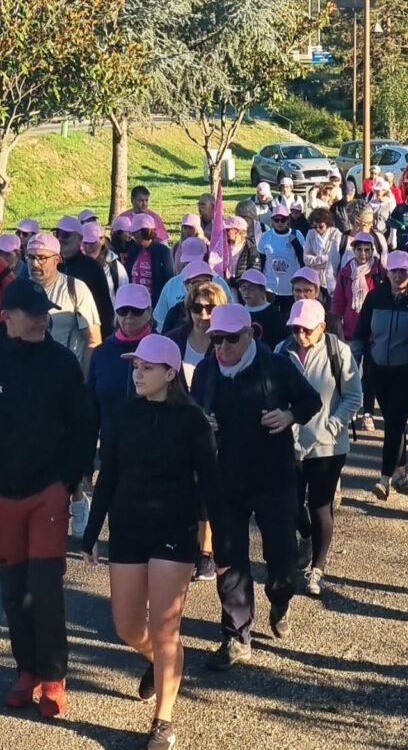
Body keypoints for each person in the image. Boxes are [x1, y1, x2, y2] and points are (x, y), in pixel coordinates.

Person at [0, 278, 97, 718]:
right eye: (33, 313)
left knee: (45, 589)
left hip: (46, 495)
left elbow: (83, 424)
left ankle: (54, 676)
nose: (42, 319)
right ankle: (26, 670)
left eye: (45, 313)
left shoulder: (61, 362)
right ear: (9, 317)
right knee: (14, 592)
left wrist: (69, 479)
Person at [82, 335, 227, 750]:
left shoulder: (193, 421)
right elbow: (107, 477)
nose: (138, 373)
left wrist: (224, 547)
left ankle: (162, 721)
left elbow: (212, 488)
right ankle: (160, 661)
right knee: (127, 626)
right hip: (127, 530)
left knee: (166, 631)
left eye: (147, 367)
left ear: (170, 373)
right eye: (135, 367)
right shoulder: (124, 417)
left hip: (174, 533)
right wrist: (91, 534)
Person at [189, 304, 321, 669]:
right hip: (225, 481)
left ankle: (280, 600)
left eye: (231, 338)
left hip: (273, 478)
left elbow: (311, 400)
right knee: (230, 560)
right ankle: (236, 636)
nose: (222, 347)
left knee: (282, 561)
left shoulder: (275, 366)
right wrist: (203, 421)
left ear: (250, 334)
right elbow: (190, 410)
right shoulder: (205, 372)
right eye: (216, 338)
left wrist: (290, 415)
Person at [276, 299, 361, 598]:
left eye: (306, 330)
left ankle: (318, 569)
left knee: (320, 505)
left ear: (322, 327)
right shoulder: (280, 351)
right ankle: (307, 536)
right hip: (291, 444)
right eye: (295, 328)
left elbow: (353, 396)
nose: (300, 335)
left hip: (329, 447)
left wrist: (333, 427)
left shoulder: (340, 352)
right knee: (293, 504)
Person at [353, 250, 408, 500]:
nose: (398, 275)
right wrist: (356, 360)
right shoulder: (376, 297)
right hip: (378, 370)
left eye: (403, 270)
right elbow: (361, 331)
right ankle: (401, 473)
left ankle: (384, 478)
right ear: (387, 272)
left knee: (393, 422)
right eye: (394, 270)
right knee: (396, 422)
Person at [25, 233, 102, 374]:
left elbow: (93, 340)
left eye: (42, 258)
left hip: (65, 377)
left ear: (57, 259)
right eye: (31, 257)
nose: (35, 263)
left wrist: (84, 382)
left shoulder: (76, 288)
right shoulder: (19, 289)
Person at [87, 284, 154, 445]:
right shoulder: (101, 353)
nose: (129, 316)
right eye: (123, 311)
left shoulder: (163, 349)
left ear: (149, 312)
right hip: (111, 449)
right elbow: (91, 410)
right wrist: (85, 463)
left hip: (154, 451)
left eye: (136, 310)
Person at [55, 216, 116, 335]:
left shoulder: (93, 267)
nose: (60, 239)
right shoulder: (53, 265)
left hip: (86, 333)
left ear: (79, 239)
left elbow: (105, 309)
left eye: (66, 235)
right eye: (57, 234)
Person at [257, 206, 305, 317]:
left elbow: (303, 260)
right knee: (271, 316)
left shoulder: (296, 234)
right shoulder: (265, 237)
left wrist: (295, 244)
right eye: (276, 220)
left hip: (290, 286)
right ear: (272, 220)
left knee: (288, 317)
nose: (279, 223)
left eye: (283, 220)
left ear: (288, 219)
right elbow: (261, 260)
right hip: (271, 285)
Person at [123, 214, 176, 309]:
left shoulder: (163, 251)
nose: (133, 234)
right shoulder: (133, 250)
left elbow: (169, 277)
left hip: (155, 303)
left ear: (143, 231)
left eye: (135, 231)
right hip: (133, 302)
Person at [235, 269, 285, 348]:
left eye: (251, 289)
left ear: (262, 290)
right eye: (243, 288)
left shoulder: (272, 312)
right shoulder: (239, 311)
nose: (247, 292)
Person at [82, 222, 129, 300]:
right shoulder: (78, 265)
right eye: (85, 243)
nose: (88, 247)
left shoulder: (115, 268)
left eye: (92, 243)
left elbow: (125, 296)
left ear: (102, 240)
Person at [302, 208, 343, 294]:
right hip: (314, 279)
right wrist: (326, 259)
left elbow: (336, 258)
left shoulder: (336, 234)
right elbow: (306, 260)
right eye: (314, 226)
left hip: (331, 279)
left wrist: (315, 260)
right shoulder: (310, 233)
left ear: (328, 224)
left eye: (321, 226)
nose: (317, 229)